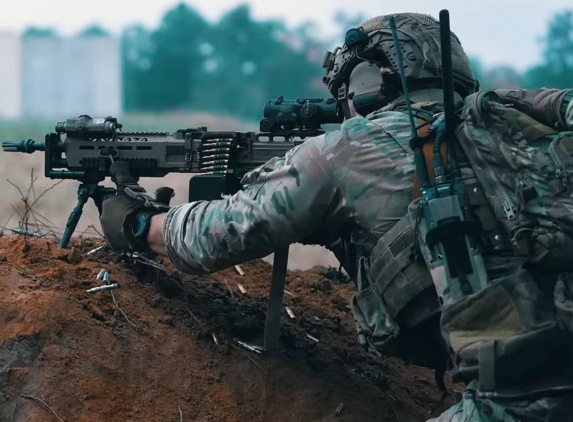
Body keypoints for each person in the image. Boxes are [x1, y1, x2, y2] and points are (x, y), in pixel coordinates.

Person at [98, 12, 573, 422]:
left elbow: (219, 234)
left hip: (523, 403)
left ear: (370, 80)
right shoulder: (518, 125)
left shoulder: (348, 151)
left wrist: (140, 223)